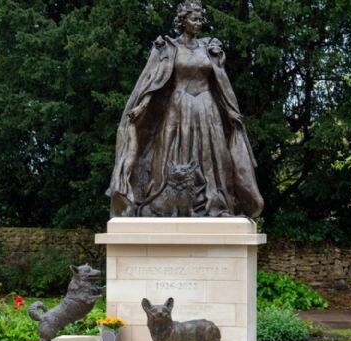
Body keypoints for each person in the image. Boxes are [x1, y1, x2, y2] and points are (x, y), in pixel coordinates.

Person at [107, 0, 264, 218]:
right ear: (183, 21)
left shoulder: (209, 47)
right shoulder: (169, 47)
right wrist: (142, 105)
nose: (198, 23)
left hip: (207, 105)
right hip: (178, 105)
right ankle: (167, 203)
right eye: (194, 19)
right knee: (169, 153)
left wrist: (230, 108)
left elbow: (221, 81)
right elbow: (154, 80)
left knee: (216, 154)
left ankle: (216, 203)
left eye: (200, 19)